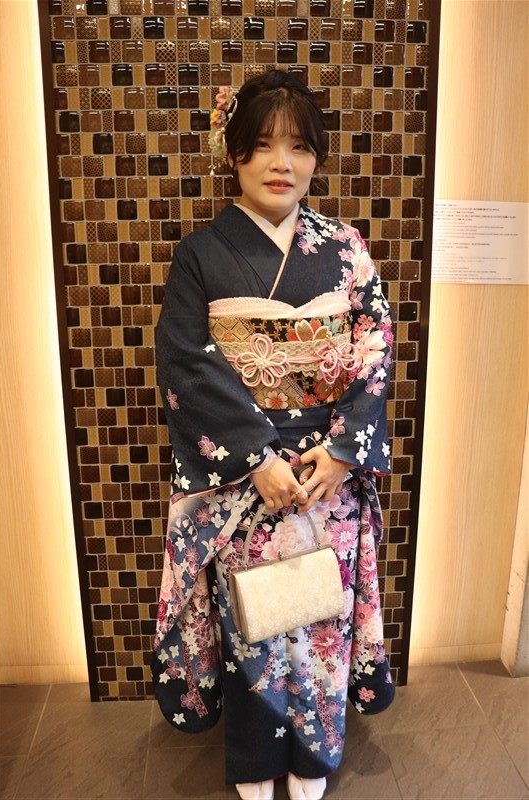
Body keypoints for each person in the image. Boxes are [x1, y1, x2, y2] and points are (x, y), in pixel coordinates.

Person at [152, 69, 395, 800]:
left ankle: (314, 756)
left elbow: (374, 346)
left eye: (299, 146)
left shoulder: (345, 247)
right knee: (254, 622)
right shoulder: (201, 252)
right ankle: (257, 760)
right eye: (261, 145)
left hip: (325, 474)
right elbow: (185, 361)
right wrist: (256, 457)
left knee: (320, 619)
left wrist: (344, 450)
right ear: (233, 155)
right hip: (244, 478)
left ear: (317, 156)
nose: (281, 163)